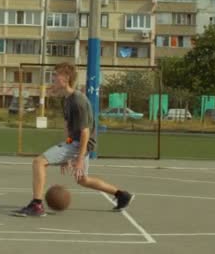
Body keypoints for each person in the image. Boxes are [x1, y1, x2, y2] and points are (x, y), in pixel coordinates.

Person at [13, 62, 133, 217]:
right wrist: (65, 152)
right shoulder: (67, 100)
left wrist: (80, 158)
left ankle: (36, 205)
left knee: (39, 162)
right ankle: (121, 195)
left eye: (56, 75)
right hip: (75, 143)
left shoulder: (78, 100)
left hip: (81, 143)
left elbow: (85, 132)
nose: (53, 79)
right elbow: (69, 129)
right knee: (83, 180)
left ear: (66, 78)